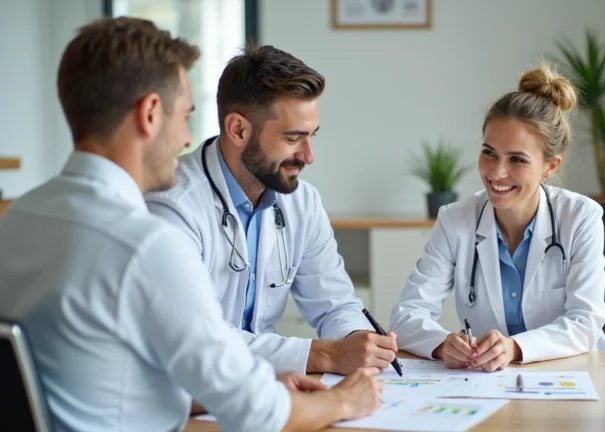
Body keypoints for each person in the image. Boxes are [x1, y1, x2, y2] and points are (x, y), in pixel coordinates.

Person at [0, 17, 382, 432]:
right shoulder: (146, 243)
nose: (186, 138)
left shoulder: (20, 216)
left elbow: (104, 375)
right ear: (149, 113)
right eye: (185, 115)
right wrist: (344, 400)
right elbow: (258, 413)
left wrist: (261, 382)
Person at [144, 43, 398, 375]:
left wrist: (358, 339)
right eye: (293, 139)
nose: (309, 156)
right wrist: (325, 356)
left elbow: (335, 305)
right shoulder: (173, 207)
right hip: (191, 394)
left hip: (264, 387)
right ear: (238, 129)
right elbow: (194, 336)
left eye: (311, 136)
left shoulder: (302, 202)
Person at [389, 64, 605, 371]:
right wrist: (441, 345)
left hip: (572, 374)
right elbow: (407, 314)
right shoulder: (456, 220)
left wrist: (515, 348)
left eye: (517, 159)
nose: (496, 172)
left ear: (550, 166)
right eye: (489, 153)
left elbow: (585, 322)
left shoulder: (580, 217)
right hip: (489, 381)